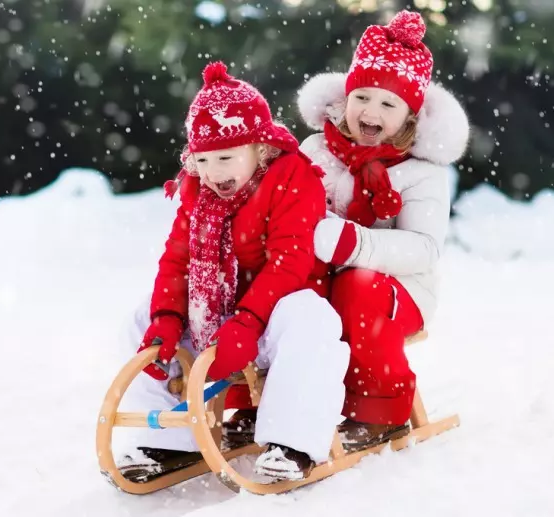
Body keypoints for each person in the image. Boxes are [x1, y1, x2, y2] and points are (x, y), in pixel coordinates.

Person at [113, 61, 349, 482]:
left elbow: (289, 262)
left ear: (259, 147)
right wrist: (167, 317)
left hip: (272, 313)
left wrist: (250, 318)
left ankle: (291, 443)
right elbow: (178, 259)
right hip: (218, 318)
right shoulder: (198, 191)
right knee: (141, 318)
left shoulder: (293, 178)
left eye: (225, 157)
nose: (213, 173)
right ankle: (170, 441)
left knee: (311, 318)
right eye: (202, 160)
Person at [295, 10, 470, 451]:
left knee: (360, 285)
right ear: (345, 97)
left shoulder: (421, 172)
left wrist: (354, 243)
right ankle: (264, 401)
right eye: (363, 98)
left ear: (410, 116)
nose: (370, 112)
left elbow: (424, 249)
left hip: (397, 293)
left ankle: (378, 409)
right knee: (277, 288)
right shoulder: (317, 148)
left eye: (388, 105)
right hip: (322, 280)